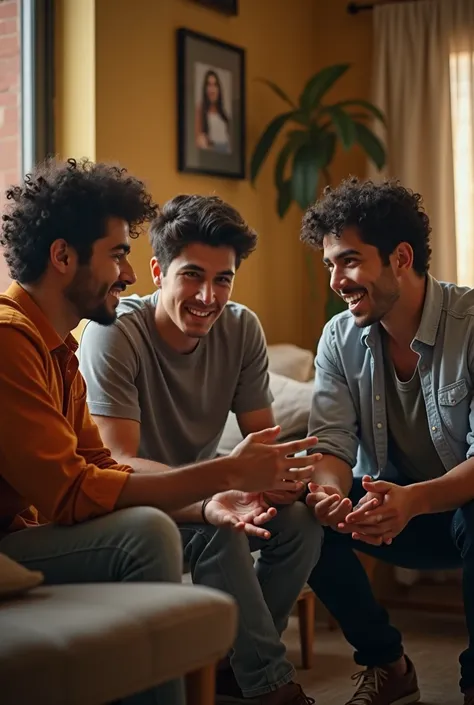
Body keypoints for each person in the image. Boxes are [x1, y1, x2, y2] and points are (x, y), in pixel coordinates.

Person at [0, 158, 319, 705]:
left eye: (223, 280)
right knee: (147, 532)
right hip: (28, 541)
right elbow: (75, 489)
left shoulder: (59, 349)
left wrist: (229, 494)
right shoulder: (13, 342)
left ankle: (225, 664)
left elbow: (98, 465)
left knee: (287, 519)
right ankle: (260, 682)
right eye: (117, 253)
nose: (123, 275)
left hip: (69, 525)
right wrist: (220, 480)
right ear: (62, 257)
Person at [301, 175, 474, 705]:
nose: (336, 281)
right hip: (388, 508)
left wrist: (413, 501)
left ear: (400, 257)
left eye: (349, 261)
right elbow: (329, 442)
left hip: (457, 509)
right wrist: (329, 495)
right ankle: (387, 665)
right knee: (297, 515)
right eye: (330, 264)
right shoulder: (338, 337)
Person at [195, 69, 231, 153]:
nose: (212, 89)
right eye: (209, 85)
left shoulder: (223, 113)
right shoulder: (200, 109)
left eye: (215, 85)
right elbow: (197, 140)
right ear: (205, 88)